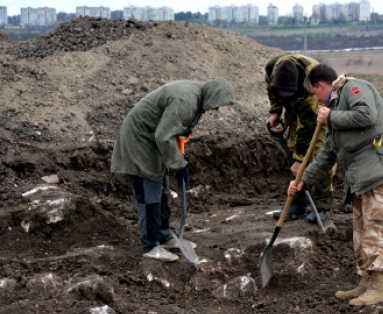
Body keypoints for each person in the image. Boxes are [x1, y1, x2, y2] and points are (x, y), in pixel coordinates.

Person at [288, 64, 383, 305]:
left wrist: (330, 116)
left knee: (376, 229)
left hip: (380, 172)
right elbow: (327, 153)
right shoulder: (335, 107)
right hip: (361, 178)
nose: (316, 100)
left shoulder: (354, 88)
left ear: (321, 86)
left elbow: (367, 115)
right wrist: (303, 181)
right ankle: (367, 281)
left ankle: (380, 287)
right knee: (362, 231)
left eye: (315, 94)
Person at [111, 78, 235, 262]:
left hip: (151, 139)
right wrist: (179, 165)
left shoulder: (196, 96)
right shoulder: (186, 101)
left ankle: (164, 236)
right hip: (139, 139)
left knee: (162, 190)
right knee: (150, 192)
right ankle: (151, 246)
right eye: (217, 104)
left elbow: (171, 123)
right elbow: (163, 135)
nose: (217, 109)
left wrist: (185, 129)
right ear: (212, 96)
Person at [265, 53, 334, 223]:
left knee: (320, 154)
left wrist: (300, 159)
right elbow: (271, 90)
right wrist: (275, 111)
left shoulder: (309, 85)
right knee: (293, 149)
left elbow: (307, 128)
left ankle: (321, 206)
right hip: (294, 108)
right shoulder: (271, 68)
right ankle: (298, 205)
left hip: (317, 112)